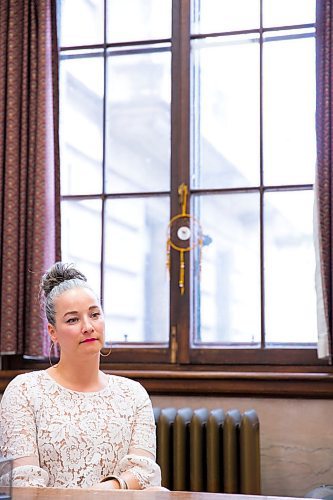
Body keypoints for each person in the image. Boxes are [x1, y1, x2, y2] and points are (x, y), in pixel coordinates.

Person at [0, 262, 162, 490]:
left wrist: (106, 489)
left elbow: (144, 472)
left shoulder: (133, 394)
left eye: (95, 314)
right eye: (72, 319)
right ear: (52, 332)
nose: (88, 326)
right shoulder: (24, 391)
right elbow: (22, 484)